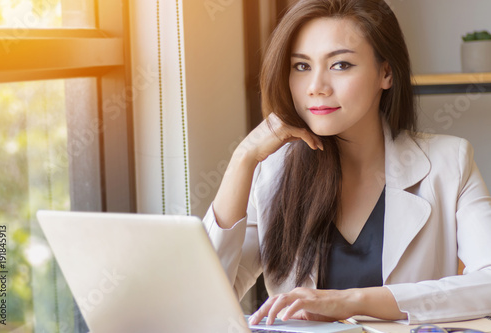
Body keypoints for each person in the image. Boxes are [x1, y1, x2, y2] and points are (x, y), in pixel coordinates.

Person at [202, 0, 491, 326]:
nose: (316, 88)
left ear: (386, 72)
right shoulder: (271, 171)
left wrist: (352, 301)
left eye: (340, 65)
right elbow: (200, 298)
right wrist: (242, 159)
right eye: (301, 66)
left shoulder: (449, 162)